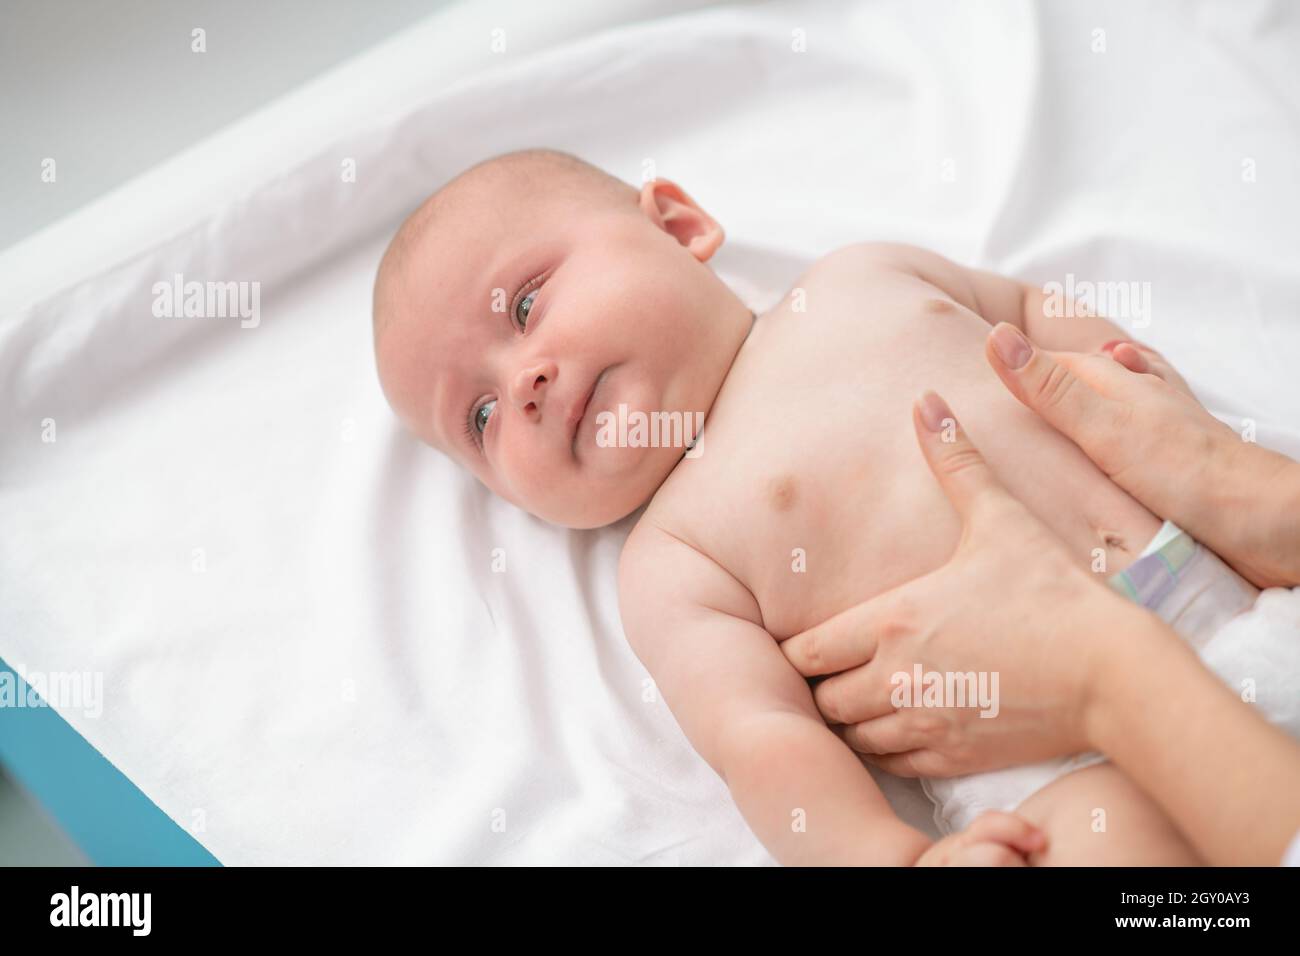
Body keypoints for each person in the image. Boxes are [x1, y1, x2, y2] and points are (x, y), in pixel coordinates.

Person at [781, 328, 1300, 865]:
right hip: (1042, 759)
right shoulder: (687, 541)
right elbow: (768, 730)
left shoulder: (868, 268)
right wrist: (896, 857)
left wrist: (1129, 367)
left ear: (689, 237)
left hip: (1214, 588)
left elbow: (1036, 320)